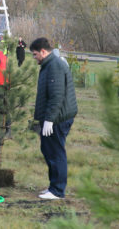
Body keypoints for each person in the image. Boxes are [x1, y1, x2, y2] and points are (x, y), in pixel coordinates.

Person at [30, 37, 78, 200]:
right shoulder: (48, 64)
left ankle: (57, 190)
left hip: (58, 119)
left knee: (56, 152)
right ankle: (53, 187)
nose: (34, 57)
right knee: (48, 150)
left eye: (35, 54)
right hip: (54, 117)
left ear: (43, 51)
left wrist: (49, 119)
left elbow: (56, 96)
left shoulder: (55, 66)